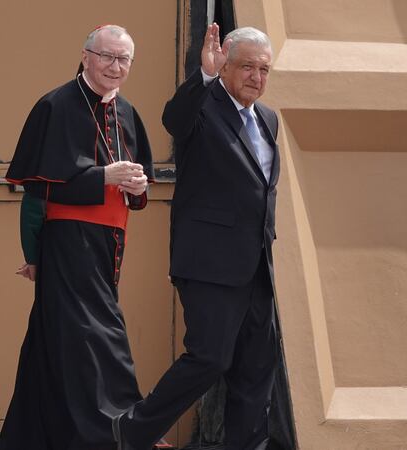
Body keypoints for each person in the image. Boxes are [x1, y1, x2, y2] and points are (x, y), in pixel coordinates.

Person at [112, 24, 281, 450]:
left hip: (257, 266)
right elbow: (174, 119)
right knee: (210, 358)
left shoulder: (269, 119)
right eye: (247, 67)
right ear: (224, 63)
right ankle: (133, 430)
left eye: (264, 70)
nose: (256, 78)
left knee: (256, 367)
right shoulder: (203, 105)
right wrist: (202, 79)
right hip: (209, 264)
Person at [0, 25, 155, 450]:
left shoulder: (128, 113)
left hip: (109, 244)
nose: (115, 67)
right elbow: (38, 189)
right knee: (97, 334)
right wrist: (104, 176)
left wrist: (138, 190)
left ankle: (32, 439)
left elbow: (137, 189)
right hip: (68, 240)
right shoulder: (55, 105)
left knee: (55, 341)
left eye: (124, 60)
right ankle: (116, 432)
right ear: (85, 56)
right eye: (107, 56)